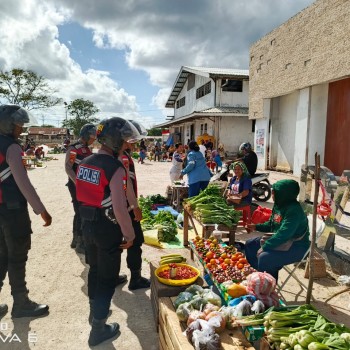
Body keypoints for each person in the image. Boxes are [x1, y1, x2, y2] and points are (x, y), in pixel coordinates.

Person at [76, 117, 140, 346]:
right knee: (107, 278)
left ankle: (95, 314)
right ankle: (99, 329)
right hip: (106, 228)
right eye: (124, 141)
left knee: (94, 270)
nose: (126, 145)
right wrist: (130, 234)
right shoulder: (115, 167)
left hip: (87, 225)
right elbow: (120, 207)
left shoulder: (85, 162)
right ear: (114, 141)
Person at [0, 105, 52, 318]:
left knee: (1, 256)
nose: (21, 130)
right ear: (8, 125)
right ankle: (21, 303)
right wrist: (41, 210)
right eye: (18, 125)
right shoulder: (11, 147)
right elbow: (23, 183)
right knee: (17, 256)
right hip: (12, 211)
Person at [245, 179, 310, 281]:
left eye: (275, 192)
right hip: (280, 240)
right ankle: (259, 275)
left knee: (265, 257)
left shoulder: (294, 211)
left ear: (284, 194)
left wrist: (266, 246)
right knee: (250, 244)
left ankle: (269, 285)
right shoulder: (279, 204)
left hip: (296, 246)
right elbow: (271, 224)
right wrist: (256, 226)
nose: (272, 195)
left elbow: (284, 234)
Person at [118, 119, 150, 290]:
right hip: (126, 208)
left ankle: (114, 275)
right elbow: (125, 185)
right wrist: (134, 207)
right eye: (134, 139)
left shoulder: (118, 155)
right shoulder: (123, 157)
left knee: (118, 242)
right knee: (135, 241)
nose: (136, 142)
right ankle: (135, 279)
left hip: (117, 207)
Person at [65, 123, 96, 254]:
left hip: (85, 186)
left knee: (81, 212)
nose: (94, 139)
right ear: (86, 136)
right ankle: (79, 242)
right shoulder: (74, 149)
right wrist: (78, 183)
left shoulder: (87, 150)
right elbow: (68, 167)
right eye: (92, 136)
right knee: (80, 212)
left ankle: (76, 240)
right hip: (76, 185)